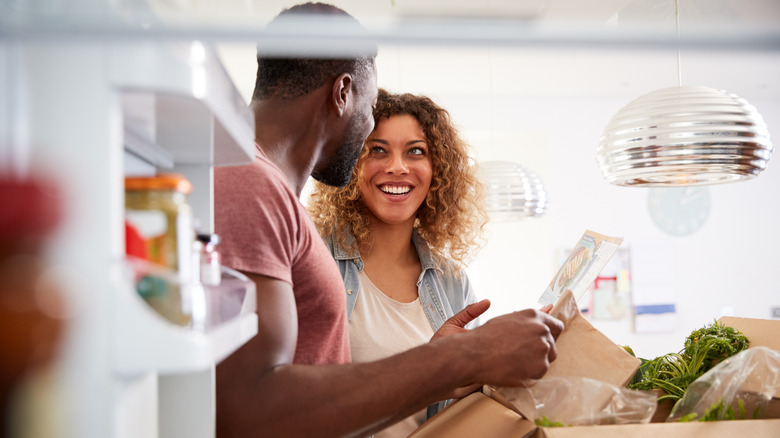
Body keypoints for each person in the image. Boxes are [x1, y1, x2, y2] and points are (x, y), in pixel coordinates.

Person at [214, 3, 564, 437]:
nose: (367, 130)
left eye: (415, 151)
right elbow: (246, 409)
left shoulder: (262, 186)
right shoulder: (248, 182)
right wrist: (467, 355)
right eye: (371, 109)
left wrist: (453, 363)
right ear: (343, 93)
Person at [307, 89, 488, 437]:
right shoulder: (315, 258)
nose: (397, 167)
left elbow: (471, 403)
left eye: (415, 151)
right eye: (377, 150)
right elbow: (292, 400)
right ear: (352, 162)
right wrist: (429, 375)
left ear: (437, 169)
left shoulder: (452, 281)